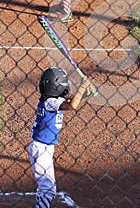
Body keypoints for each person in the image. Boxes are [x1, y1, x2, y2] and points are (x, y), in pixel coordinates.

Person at [29, 67, 93, 208]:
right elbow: (72, 105)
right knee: (48, 188)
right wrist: (82, 87)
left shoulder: (52, 99)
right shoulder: (50, 102)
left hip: (44, 148)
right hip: (41, 149)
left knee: (47, 187)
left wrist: (85, 94)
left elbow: (72, 101)